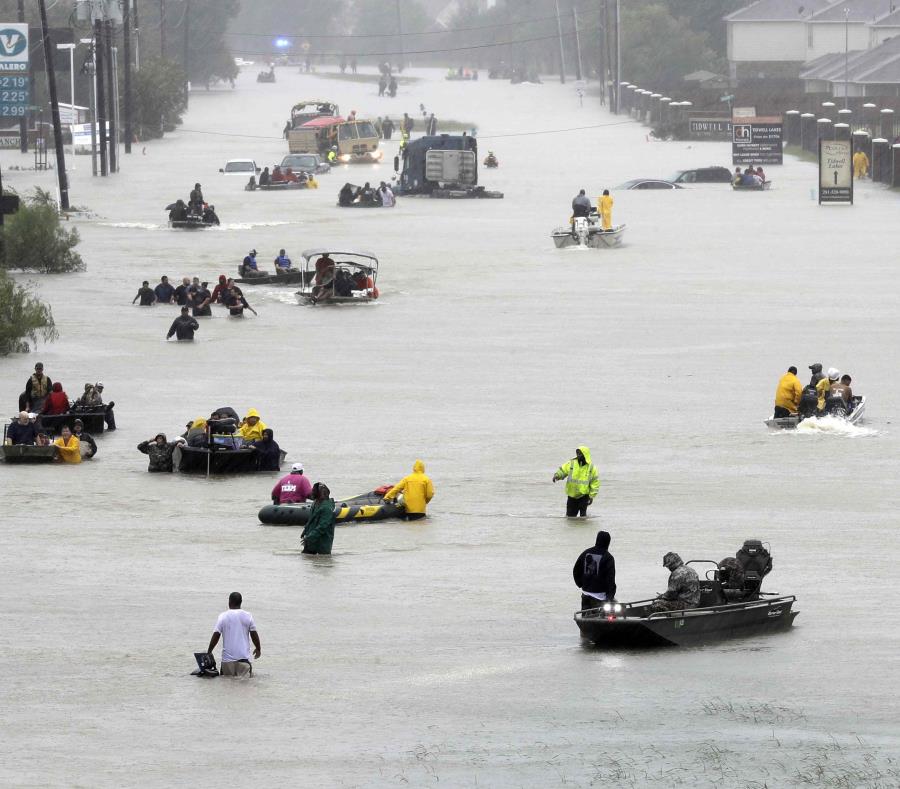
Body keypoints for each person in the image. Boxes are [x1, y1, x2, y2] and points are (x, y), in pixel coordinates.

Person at [206, 592, 260, 678]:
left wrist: (209, 652)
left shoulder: (223, 616)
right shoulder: (248, 616)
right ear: (241, 602)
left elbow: (216, 635)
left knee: (226, 687)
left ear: (229, 602)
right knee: (246, 688)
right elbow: (254, 634)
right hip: (243, 660)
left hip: (227, 662)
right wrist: (258, 648)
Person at [573, 531, 616, 610]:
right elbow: (610, 579)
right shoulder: (608, 557)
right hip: (600, 596)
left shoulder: (586, 553)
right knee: (610, 613)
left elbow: (576, 570)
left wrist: (580, 584)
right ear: (608, 542)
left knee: (585, 616)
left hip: (585, 593)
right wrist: (610, 597)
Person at [552, 446, 600, 517]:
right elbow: (563, 470)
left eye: (580, 453)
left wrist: (591, 496)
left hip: (584, 496)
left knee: (583, 518)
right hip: (572, 496)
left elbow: (595, 482)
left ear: (585, 455)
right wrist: (557, 475)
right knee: (570, 518)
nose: (578, 455)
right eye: (577, 453)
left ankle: (583, 528)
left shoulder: (592, 468)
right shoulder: (571, 463)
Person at [302, 483, 336, 554]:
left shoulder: (327, 508)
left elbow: (323, 526)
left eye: (314, 491)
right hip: (311, 541)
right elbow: (311, 520)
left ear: (320, 493)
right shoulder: (315, 503)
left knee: (322, 562)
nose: (312, 492)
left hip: (322, 544)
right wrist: (305, 531)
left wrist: (310, 538)